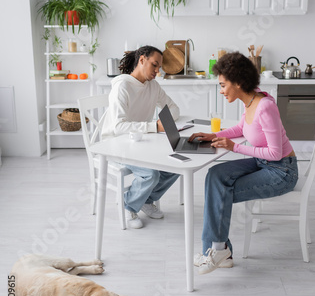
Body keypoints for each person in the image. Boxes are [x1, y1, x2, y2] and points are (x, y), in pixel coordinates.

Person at [189, 52, 298, 275]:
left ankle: (218, 250)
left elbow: (275, 153)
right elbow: (241, 129)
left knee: (219, 191)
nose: (220, 91)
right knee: (215, 175)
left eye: (222, 85)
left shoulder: (265, 106)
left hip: (281, 171)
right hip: (262, 162)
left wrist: (234, 147)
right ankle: (221, 252)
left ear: (238, 82)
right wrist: (214, 135)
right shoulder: (250, 100)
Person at [102, 45, 180, 229]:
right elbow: (118, 126)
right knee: (150, 174)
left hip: (140, 143)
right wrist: (154, 126)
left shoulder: (153, 86)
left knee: (176, 165)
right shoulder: (122, 86)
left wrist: (164, 122)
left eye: (159, 67)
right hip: (115, 144)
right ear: (142, 60)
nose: (157, 71)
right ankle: (129, 204)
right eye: (154, 65)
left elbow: (174, 108)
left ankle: (145, 199)